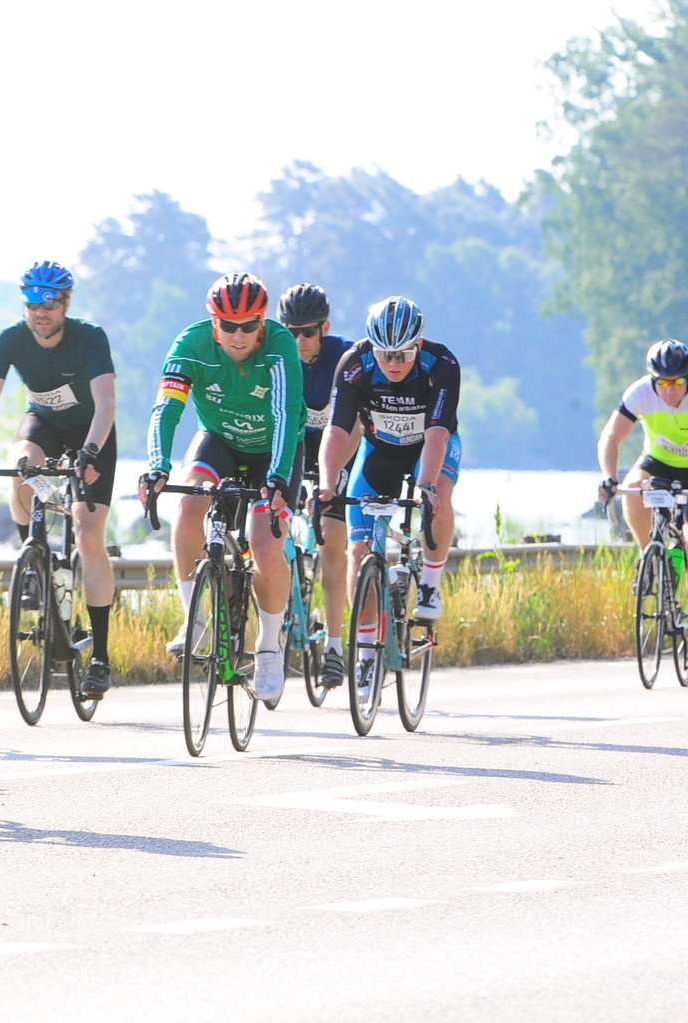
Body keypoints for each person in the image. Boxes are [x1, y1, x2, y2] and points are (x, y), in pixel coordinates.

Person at [137, 273, 304, 706]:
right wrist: (157, 466)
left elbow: (286, 415)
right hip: (219, 442)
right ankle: (194, 619)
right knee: (188, 504)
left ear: (262, 322)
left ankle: (269, 648)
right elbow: (165, 410)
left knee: (264, 541)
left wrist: (278, 477)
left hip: (275, 450)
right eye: (228, 326)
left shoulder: (280, 346)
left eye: (248, 326)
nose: (238, 335)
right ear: (213, 323)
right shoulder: (190, 345)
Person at [0, 262, 120, 699]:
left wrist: (91, 452)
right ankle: (33, 559)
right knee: (21, 464)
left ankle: (100, 658)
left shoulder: (90, 337)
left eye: (50, 303)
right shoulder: (11, 339)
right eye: (32, 302)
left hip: (92, 433)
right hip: (45, 425)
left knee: (88, 534)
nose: (40, 311)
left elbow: (106, 403)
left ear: (66, 304)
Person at [316, 297, 461, 695]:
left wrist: (425, 487)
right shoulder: (355, 363)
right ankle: (365, 653)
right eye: (384, 354)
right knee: (358, 551)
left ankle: (429, 582)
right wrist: (327, 484)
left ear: (418, 344)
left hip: (429, 448)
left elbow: (437, 434)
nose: (393, 363)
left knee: (439, 493)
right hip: (378, 452)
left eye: (402, 354)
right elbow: (337, 430)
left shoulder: (441, 363)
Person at [598, 339, 688, 670]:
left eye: (678, 382)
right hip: (658, 462)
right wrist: (608, 476)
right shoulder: (640, 392)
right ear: (653, 380)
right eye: (663, 383)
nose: (671, 390)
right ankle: (648, 556)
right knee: (631, 488)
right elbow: (611, 437)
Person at [278, 283, 356, 690]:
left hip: (340, 449)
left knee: (331, 540)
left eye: (307, 332)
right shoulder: (276, 356)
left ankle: (334, 648)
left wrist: (328, 481)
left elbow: (355, 426)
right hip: (296, 446)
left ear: (325, 328)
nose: (299, 341)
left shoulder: (345, 357)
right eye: (290, 332)